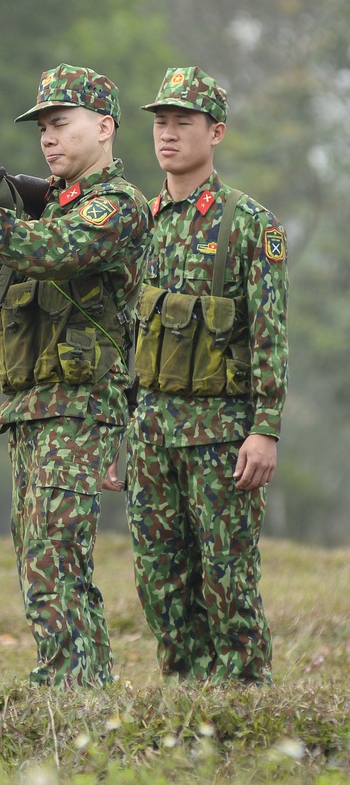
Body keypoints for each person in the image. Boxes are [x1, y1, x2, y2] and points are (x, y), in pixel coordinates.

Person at [0, 64, 151, 687]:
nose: (48, 138)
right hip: (33, 408)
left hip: (78, 407)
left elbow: (50, 255)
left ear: (104, 128)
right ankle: (66, 686)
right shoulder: (46, 210)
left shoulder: (117, 208)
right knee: (36, 559)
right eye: (43, 127)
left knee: (59, 558)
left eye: (61, 123)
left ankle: (78, 694)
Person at [126, 65, 289, 684]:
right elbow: (126, 335)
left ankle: (247, 707)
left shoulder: (249, 223)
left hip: (222, 435)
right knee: (159, 580)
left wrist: (265, 428)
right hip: (150, 434)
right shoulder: (141, 222)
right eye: (160, 123)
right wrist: (121, 428)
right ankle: (187, 707)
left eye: (182, 123)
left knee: (227, 580)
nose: (167, 135)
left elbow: (270, 331)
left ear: (215, 132)